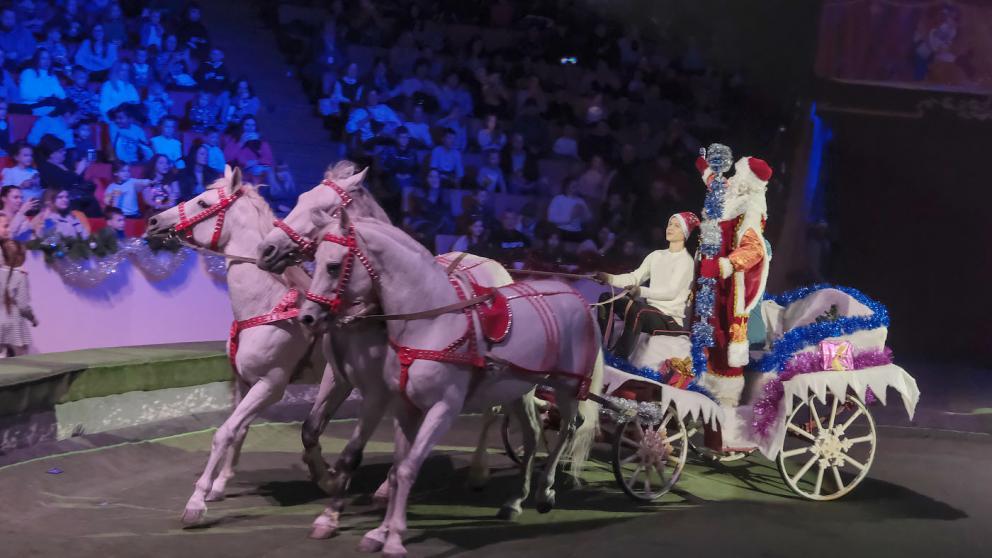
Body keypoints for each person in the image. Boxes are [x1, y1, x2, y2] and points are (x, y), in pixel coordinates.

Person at [692, 150, 773, 408]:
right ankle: (698, 385)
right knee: (705, 329)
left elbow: (754, 249)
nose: (733, 177)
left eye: (738, 173)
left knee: (723, 335)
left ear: (747, 181)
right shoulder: (732, 195)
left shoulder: (751, 207)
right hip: (710, 279)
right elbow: (716, 185)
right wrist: (703, 166)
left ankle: (725, 396)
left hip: (728, 284)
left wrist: (725, 265)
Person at [595, 212, 699, 360]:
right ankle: (603, 349)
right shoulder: (656, 255)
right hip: (650, 311)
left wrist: (640, 291)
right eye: (670, 224)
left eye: (676, 226)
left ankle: (619, 360)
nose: (670, 228)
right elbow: (635, 277)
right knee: (606, 299)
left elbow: (671, 292)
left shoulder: (685, 261)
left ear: (685, 233)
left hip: (669, 319)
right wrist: (609, 278)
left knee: (638, 311)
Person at [36, 134, 97, 216]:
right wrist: (78, 171)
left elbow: (77, 180)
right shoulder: (46, 168)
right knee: (89, 202)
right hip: (60, 199)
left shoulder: (65, 164)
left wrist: (83, 168)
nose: (64, 153)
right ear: (51, 154)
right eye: (61, 151)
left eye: (64, 150)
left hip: (75, 195)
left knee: (90, 198)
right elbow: (63, 185)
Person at [0, 235, 37, 357]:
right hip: (14, 325)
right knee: (20, 359)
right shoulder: (21, 277)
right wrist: (32, 318)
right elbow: (23, 305)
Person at [224, 116, 275, 184]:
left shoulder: (261, 141)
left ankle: (275, 189)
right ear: (242, 126)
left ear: (256, 127)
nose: (250, 128)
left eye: (253, 125)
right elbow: (227, 157)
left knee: (268, 170)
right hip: (240, 171)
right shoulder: (234, 140)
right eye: (247, 125)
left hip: (258, 169)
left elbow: (269, 159)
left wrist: (256, 162)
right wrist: (241, 143)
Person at [19, 49, 65, 115]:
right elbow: (24, 94)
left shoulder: (52, 76)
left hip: (50, 104)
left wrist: (48, 98)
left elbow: (62, 95)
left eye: (48, 58)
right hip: (32, 106)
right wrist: (41, 98)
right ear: (37, 59)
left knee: (66, 106)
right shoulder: (28, 73)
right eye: (43, 58)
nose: (47, 61)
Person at [381, 126, 421, 192]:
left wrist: (410, 174)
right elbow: (385, 167)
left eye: (406, 137)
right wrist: (395, 174)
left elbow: (417, 167)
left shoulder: (413, 151)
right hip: (394, 179)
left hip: (410, 178)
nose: (404, 140)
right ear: (397, 138)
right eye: (402, 137)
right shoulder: (390, 150)